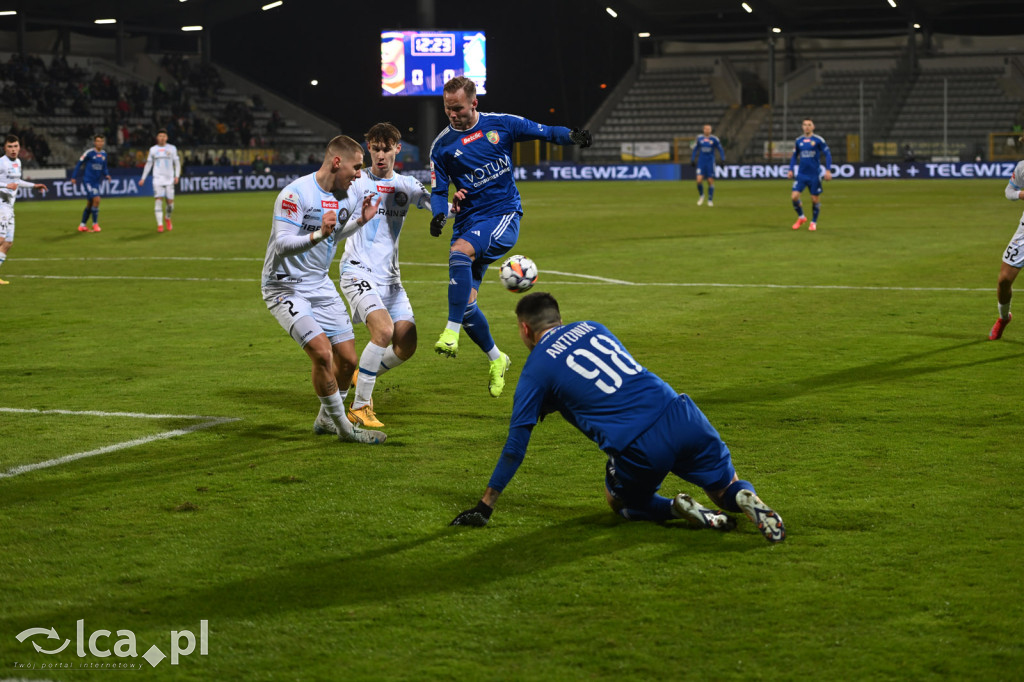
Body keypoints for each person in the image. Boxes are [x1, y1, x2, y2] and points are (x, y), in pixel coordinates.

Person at [449, 292, 785, 543]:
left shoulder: (535, 370)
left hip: (639, 443)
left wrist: (485, 505)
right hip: (681, 413)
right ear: (558, 318)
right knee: (724, 486)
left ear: (525, 329)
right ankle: (743, 497)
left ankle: (674, 508)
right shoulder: (594, 327)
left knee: (619, 500)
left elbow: (515, 446)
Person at [428, 76, 592, 397]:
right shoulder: (442, 147)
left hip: (503, 215)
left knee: (460, 253)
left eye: (458, 108)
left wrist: (571, 136)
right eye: (448, 109)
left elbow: (543, 131)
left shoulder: (502, 125)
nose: (452, 114)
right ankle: (497, 358)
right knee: (466, 304)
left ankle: (450, 332)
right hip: (468, 222)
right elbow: (437, 190)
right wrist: (437, 214)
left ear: (474, 103)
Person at [330, 122, 460, 430]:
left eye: (386, 149)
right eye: (374, 148)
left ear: (397, 150)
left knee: (407, 343)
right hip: (357, 270)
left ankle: (363, 372)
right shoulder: (357, 182)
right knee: (384, 332)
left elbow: (435, 206)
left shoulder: (408, 185)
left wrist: (455, 205)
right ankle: (360, 405)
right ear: (368, 149)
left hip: (390, 279)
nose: (380, 155)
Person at [261, 134, 386, 444]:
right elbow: (281, 244)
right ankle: (345, 429)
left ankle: (324, 421)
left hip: (319, 283)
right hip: (284, 286)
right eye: (356, 167)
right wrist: (317, 234)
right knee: (320, 352)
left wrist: (360, 221)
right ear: (336, 162)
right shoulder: (295, 194)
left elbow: (333, 235)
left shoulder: (344, 196)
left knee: (347, 360)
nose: (359, 174)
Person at [0, 134, 48, 285]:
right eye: (10, 147)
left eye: (15, 146)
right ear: (4, 148)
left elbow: (16, 181)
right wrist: (5, 186)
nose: (13, 150)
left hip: (9, 206)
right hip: (1, 205)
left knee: (8, 243)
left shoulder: (18, 162)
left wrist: (34, 186)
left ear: (20, 147)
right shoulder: (1, 162)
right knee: (0, 240)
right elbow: (9, 183)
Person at [988, 156, 1024, 340]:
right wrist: (1020, 194)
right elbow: (1009, 190)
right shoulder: (1022, 168)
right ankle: (1003, 318)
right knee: (1003, 281)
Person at [787, 119, 832, 232]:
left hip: (814, 175)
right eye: (805, 125)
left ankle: (813, 222)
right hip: (802, 174)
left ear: (813, 127)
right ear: (802, 127)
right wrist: (791, 169)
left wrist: (828, 170)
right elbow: (794, 156)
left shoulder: (818, 140)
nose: (807, 127)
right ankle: (801, 218)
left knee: (815, 199)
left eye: (809, 125)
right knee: (794, 197)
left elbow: (827, 154)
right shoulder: (799, 141)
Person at [138, 129, 181, 233]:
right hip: (157, 179)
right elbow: (148, 164)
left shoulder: (172, 148)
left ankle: (167, 218)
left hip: (169, 179)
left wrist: (177, 175)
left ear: (167, 138)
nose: (162, 138)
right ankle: (160, 225)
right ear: (157, 138)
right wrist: (143, 178)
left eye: (164, 136)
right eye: (160, 136)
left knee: (170, 204)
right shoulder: (153, 149)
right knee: (158, 201)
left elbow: (177, 163)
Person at [70, 135, 111, 233]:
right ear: (94, 142)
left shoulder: (104, 154)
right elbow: (79, 164)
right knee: (97, 199)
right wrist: (73, 177)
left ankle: (82, 225)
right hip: (88, 181)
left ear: (103, 143)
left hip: (96, 182)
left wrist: (107, 175)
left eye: (101, 141)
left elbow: (104, 167)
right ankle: (95, 224)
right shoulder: (89, 153)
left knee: (90, 204)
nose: (99, 143)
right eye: (97, 141)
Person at [690, 124, 725, 206]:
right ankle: (701, 196)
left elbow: (721, 149)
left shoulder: (714, 139)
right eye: (706, 129)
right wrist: (692, 159)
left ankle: (710, 200)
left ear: (711, 130)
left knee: (710, 181)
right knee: (698, 180)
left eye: (709, 129)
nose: (707, 130)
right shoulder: (699, 138)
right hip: (701, 162)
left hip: (710, 162)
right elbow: (695, 149)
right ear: (703, 130)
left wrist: (723, 159)